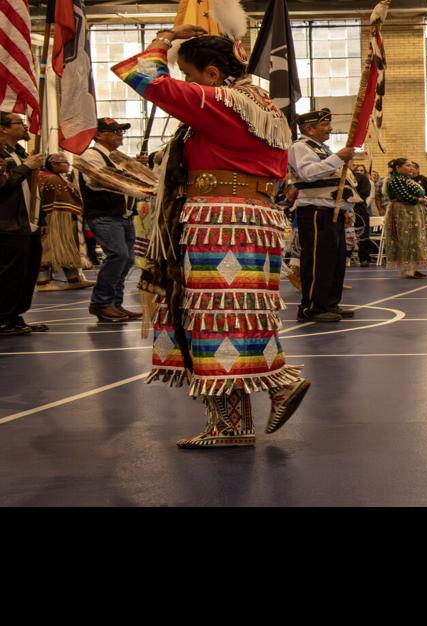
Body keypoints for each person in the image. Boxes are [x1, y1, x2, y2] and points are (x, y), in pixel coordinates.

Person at [112, 26, 310, 447]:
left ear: (213, 73)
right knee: (229, 314)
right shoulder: (260, 105)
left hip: (219, 218)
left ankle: (269, 394)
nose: (182, 83)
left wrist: (164, 40)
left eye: (188, 74)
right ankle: (234, 423)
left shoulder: (217, 101)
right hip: (250, 217)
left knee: (212, 317)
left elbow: (140, 74)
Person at [287, 108, 357, 321]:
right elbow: (307, 173)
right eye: (324, 125)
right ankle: (312, 307)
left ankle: (329, 303)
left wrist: (346, 209)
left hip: (332, 210)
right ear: (309, 128)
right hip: (315, 211)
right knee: (318, 260)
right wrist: (338, 158)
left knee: (335, 261)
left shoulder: (322, 149)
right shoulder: (300, 147)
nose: (330, 129)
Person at [77, 116, 148, 321]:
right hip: (105, 215)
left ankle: (115, 303)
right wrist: (131, 171)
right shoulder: (92, 155)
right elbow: (98, 180)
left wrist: (134, 166)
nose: (119, 135)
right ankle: (101, 303)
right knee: (118, 256)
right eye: (115, 132)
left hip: (122, 215)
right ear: (99, 135)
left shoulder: (116, 156)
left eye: (120, 132)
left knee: (127, 259)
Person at [0, 113, 49, 336]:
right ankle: (2, 317)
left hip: (29, 222)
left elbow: (33, 191)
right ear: (3, 129)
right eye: (18, 123)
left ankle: (16, 314)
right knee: (9, 274)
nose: (24, 126)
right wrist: (26, 167)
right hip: (8, 223)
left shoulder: (20, 153)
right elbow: (5, 185)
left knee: (27, 273)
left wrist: (42, 219)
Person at [36, 153, 93, 291]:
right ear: (54, 164)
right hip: (54, 220)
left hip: (66, 219)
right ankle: (42, 283)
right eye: (64, 162)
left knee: (67, 250)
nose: (68, 165)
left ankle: (73, 280)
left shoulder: (59, 177)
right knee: (48, 250)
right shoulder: (49, 178)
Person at [383, 158, 427, 278]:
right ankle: (406, 269)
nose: (411, 168)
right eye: (407, 165)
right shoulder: (395, 179)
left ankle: (412, 268)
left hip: (412, 211)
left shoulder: (406, 179)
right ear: (398, 168)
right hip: (402, 212)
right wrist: (421, 200)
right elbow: (403, 196)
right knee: (406, 238)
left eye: (412, 166)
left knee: (415, 238)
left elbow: (418, 193)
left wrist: (425, 198)